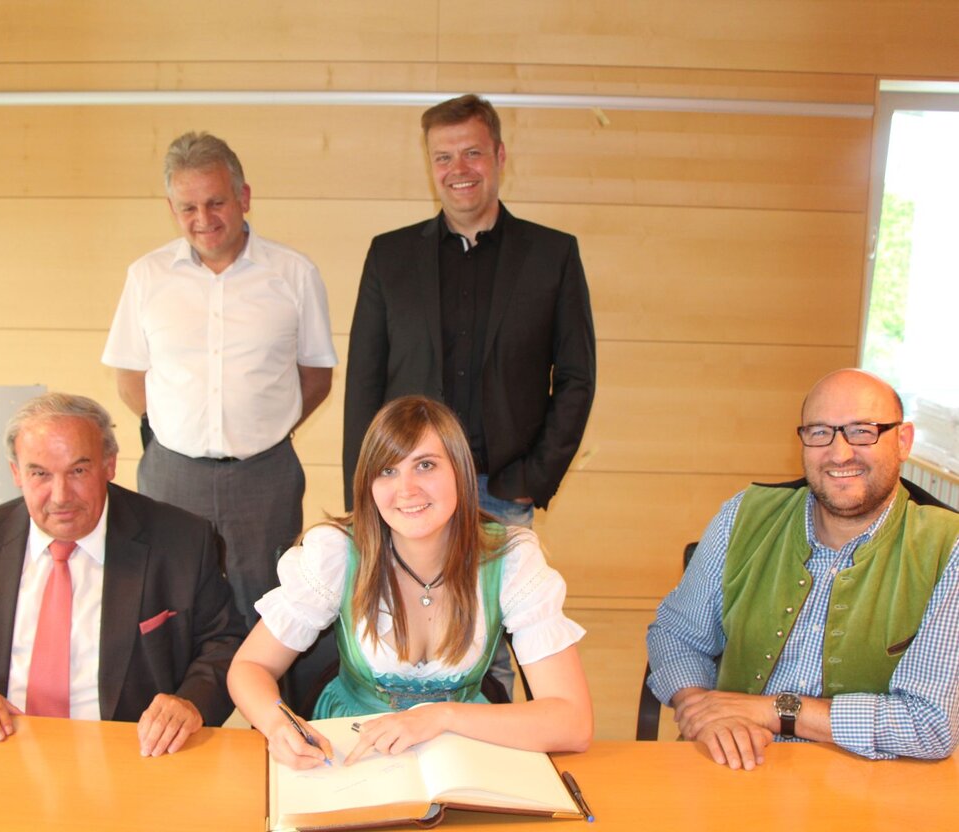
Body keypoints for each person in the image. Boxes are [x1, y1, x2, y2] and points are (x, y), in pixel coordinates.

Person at [228, 396, 593, 769]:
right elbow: (250, 666)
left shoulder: (510, 559)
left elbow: (573, 723)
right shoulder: (337, 553)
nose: (406, 489)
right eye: (387, 470)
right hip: (351, 748)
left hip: (463, 743)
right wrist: (277, 725)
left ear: (460, 471)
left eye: (425, 465)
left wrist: (441, 716)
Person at [0, 393, 246, 757]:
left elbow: (224, 642)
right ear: (16, 473)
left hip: (133, 752)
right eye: (40, 474)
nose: (61, 496)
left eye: (78, 471)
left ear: (109, 464)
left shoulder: (181, 542)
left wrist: (190, 702)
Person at [646, 368, 959, 770]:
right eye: (820, 432)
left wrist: (777, 710)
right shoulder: (741, 516)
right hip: (734, 767)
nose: (839, 453)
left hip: (866, 779)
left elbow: (929, 724)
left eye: (862, 432)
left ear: (903, 441)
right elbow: (677, 634)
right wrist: (701, 708)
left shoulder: (947, 549)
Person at [102, 131, 337, 630]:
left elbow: (316, 376)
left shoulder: (294, 274)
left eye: (216, 202)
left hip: (263, 477)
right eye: (188, 207)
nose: (203, 219)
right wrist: (174, 429)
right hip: (171, 474)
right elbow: (129, 376)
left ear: (244, 196)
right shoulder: (146, 276)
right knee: (169, 606)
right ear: (171, 209)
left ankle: (262, 688)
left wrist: (264, 426)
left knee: (270, 609)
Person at [343, 93, 595, 524]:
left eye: (472, 153)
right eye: (443, 157)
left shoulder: (553, 255)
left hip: (501, 496)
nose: (458, 169)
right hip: (408, 492)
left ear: (500, 156)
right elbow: (364, 383)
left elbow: (577, 377)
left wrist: (535, 477)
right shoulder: (389, 256)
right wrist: (362, 496)